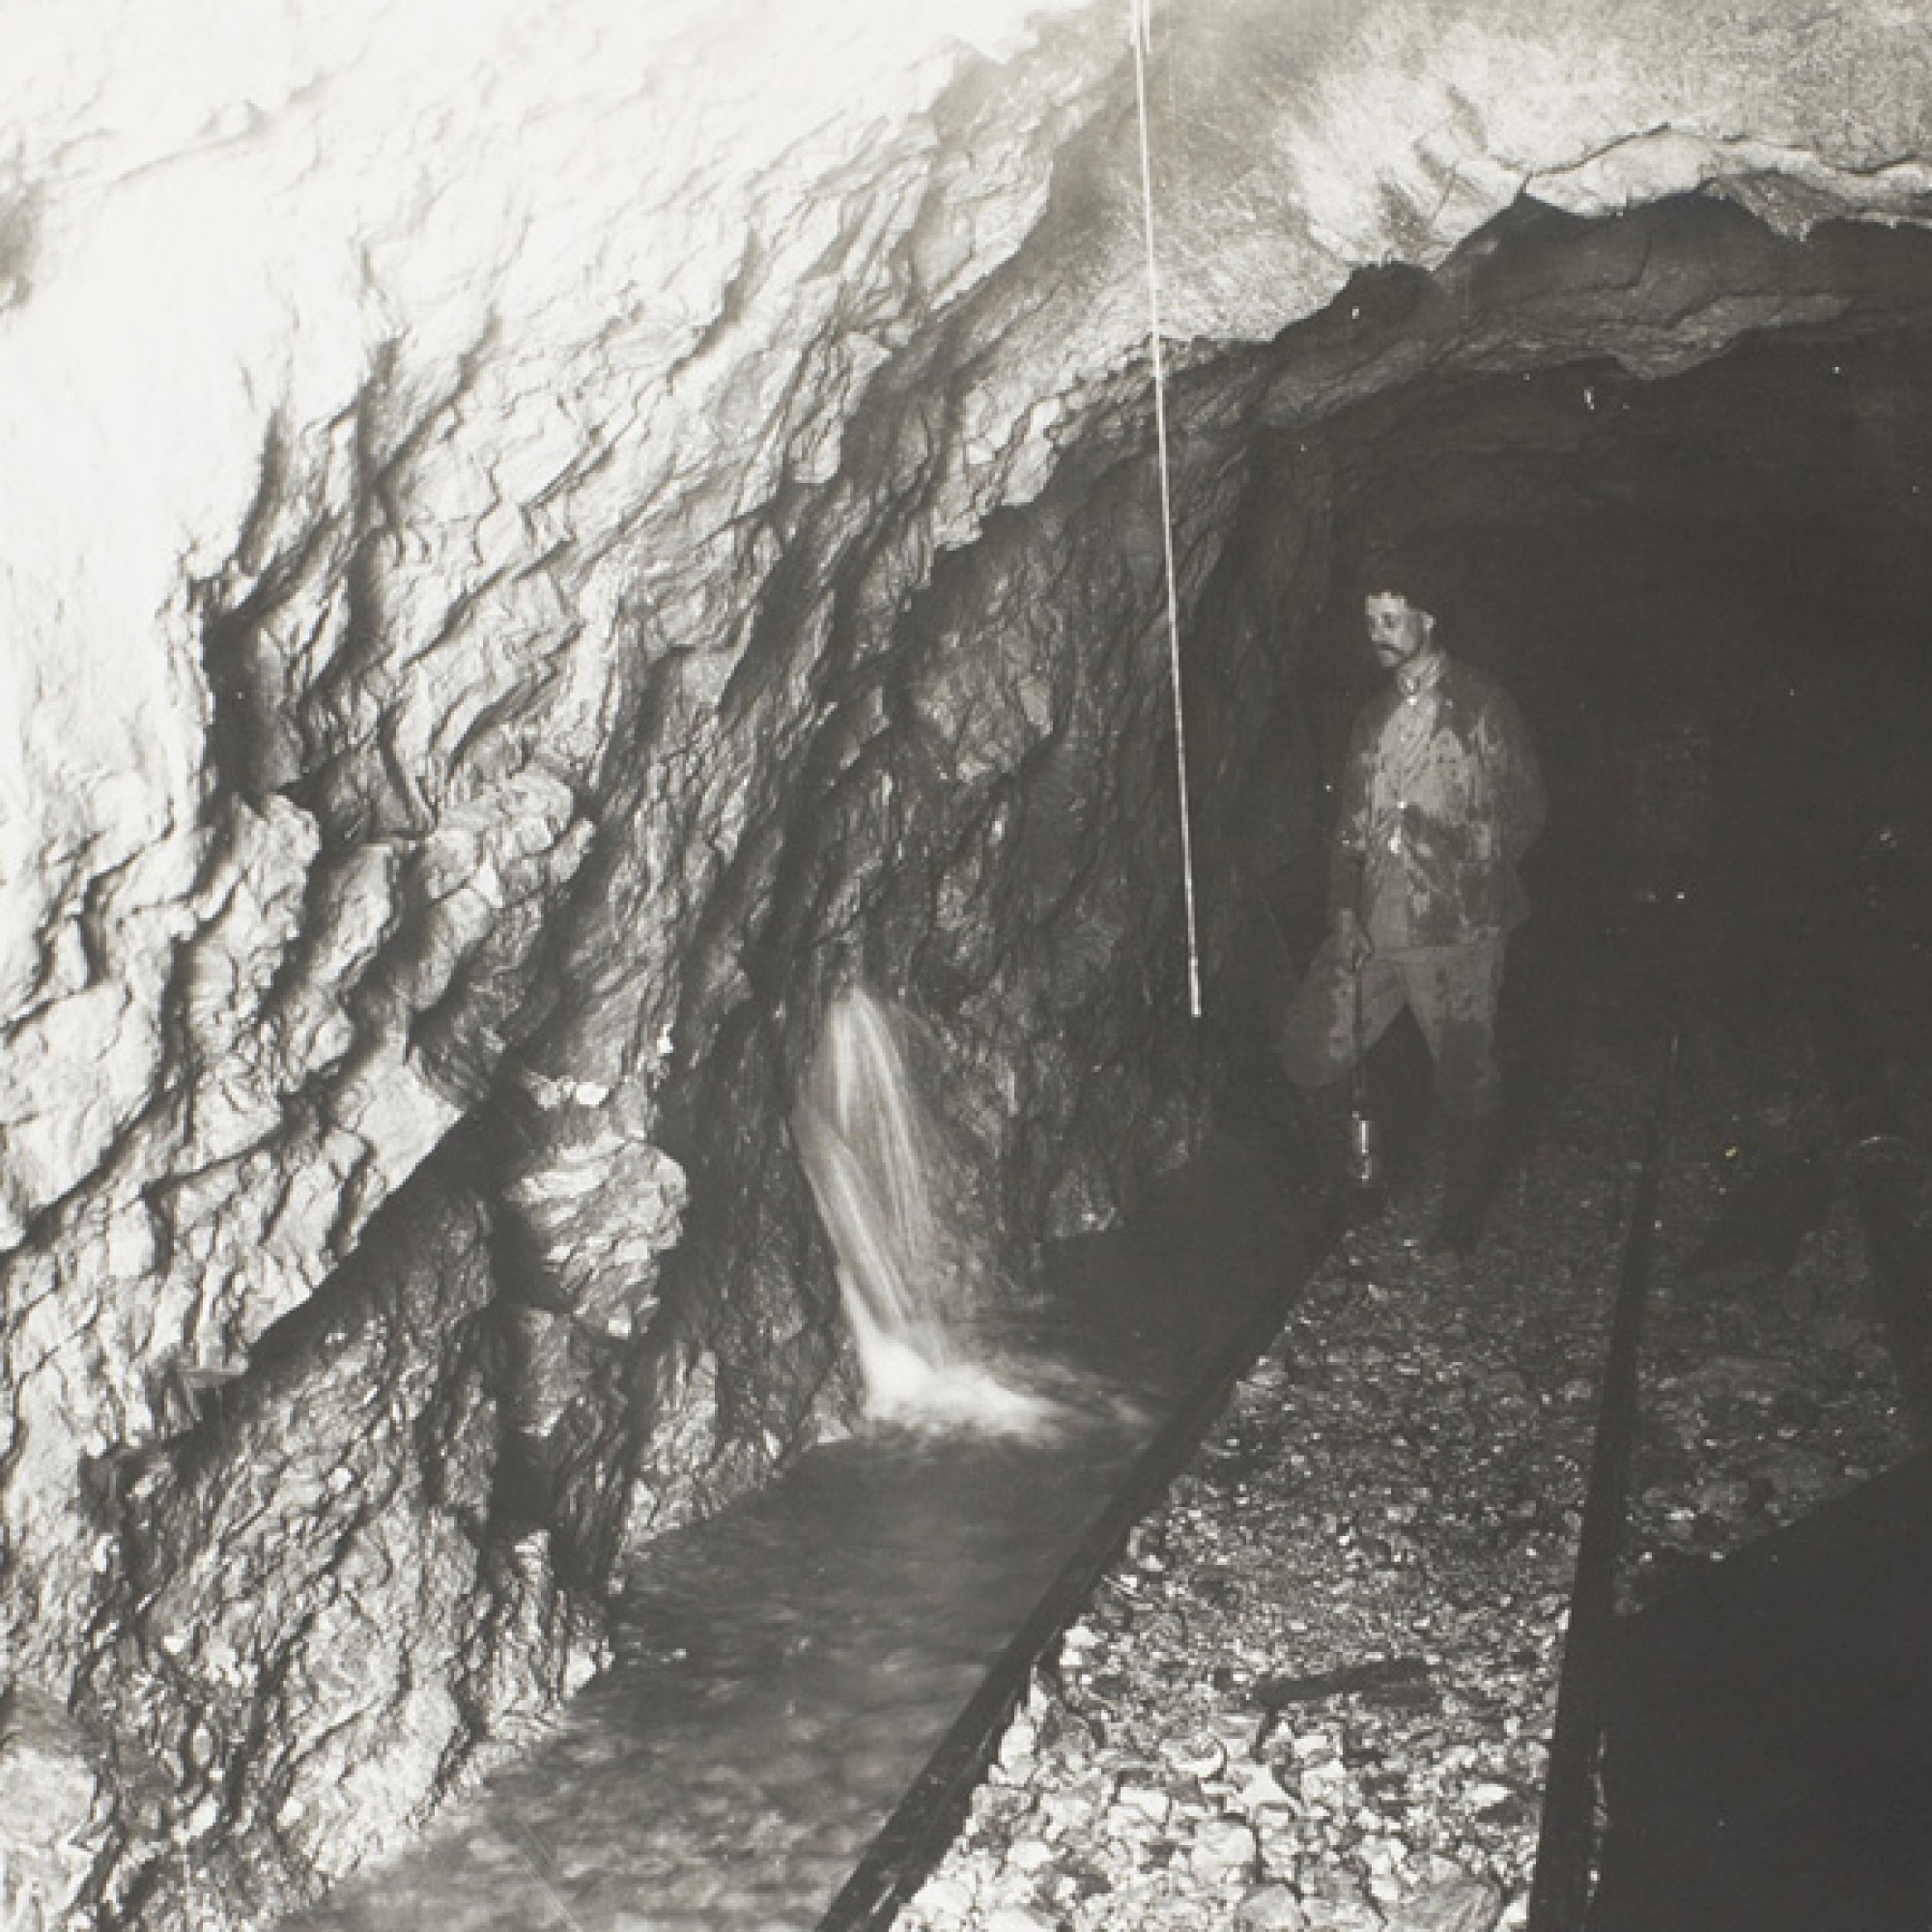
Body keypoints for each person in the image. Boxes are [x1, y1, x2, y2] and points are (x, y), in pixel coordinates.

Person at [1279, 576, 1545, 1255]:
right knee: (1311, 1047)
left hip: (1458, 930)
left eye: (1392, 619)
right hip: (1375, 922)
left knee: (1463, 1072)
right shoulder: (1372, 716)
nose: (1379, 633)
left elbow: (1527, 809)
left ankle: (1459, 1220)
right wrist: (1342, 908)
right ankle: (1353, 1188)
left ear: (1429, 618)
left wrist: (1468, 873)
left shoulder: (1482, 705)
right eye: (1371, 620)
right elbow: (1348, 830)